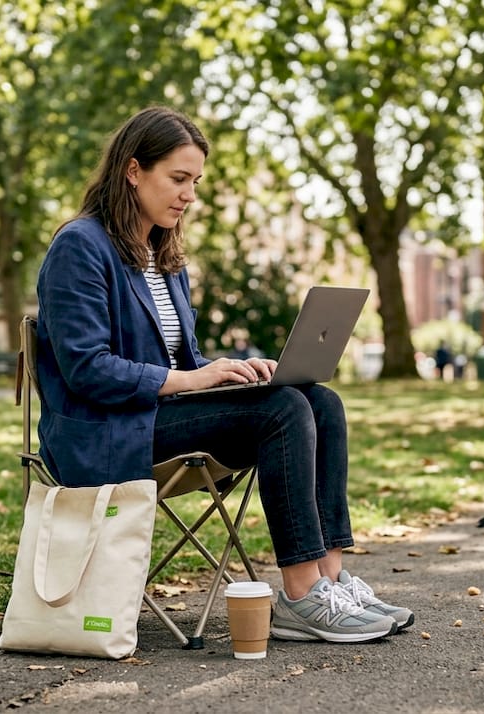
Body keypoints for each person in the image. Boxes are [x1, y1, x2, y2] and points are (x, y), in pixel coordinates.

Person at [34, 106, 411, 644]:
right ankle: (301, 595)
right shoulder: (80, 246)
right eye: (178, 179)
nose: (189, 195)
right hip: (107, 432)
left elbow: (177, 360)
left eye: (195, 182)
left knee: (318, 400)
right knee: (280, 411)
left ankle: (330, 581)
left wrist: (227, 370)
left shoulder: (163, 255)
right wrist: (193, 381)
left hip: (158, 416)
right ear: (133, 170)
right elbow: (87, 369)